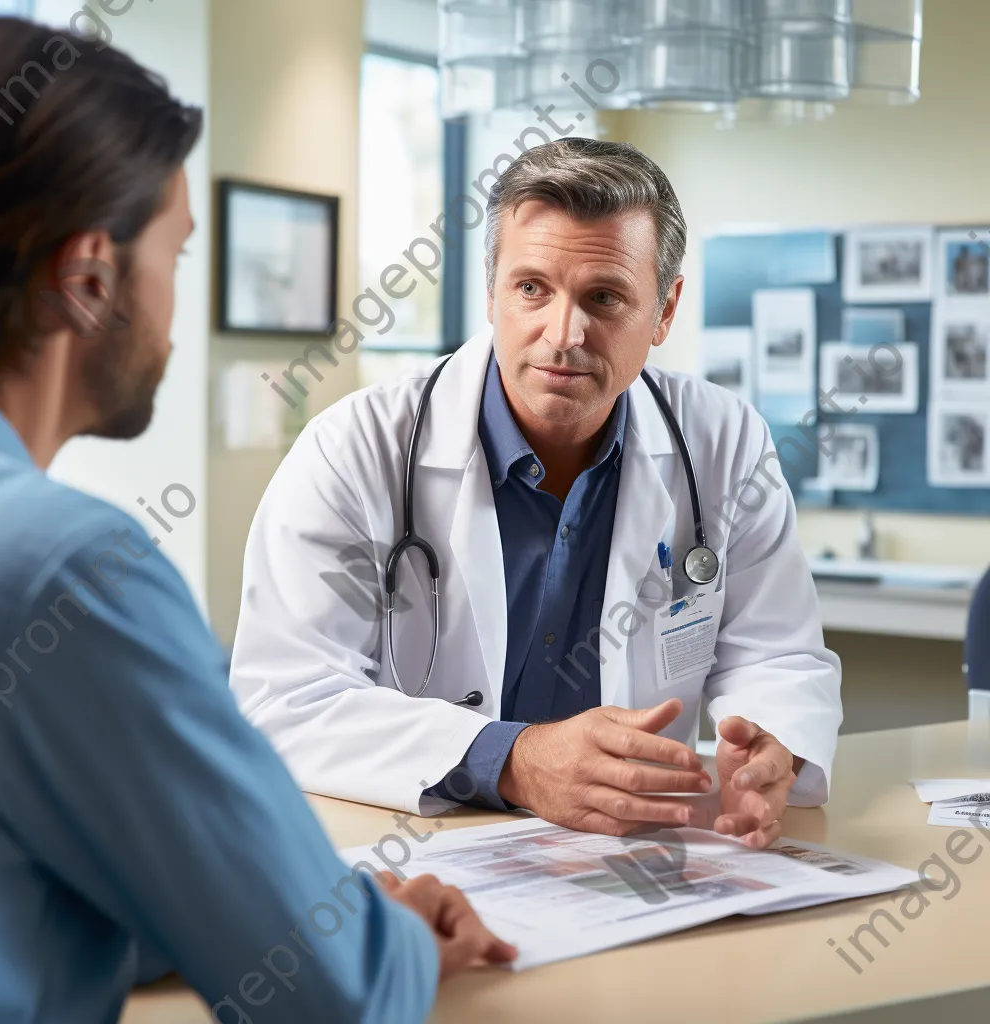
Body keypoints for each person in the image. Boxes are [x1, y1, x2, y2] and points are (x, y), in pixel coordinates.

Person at [0, 17, 513, 1024]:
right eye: (175, 252)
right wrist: (379, 931)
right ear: (90, 278)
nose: (177, 310)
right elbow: (327, 992)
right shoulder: (66, 572)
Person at [231, 137, 843, 847]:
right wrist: (512, 760)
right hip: (412, 858)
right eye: (532, 289)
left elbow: (777, 655)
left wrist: (770, 744)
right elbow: (285, 699)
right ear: (492, 288)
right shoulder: (355, 449)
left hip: (632, 858)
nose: (564, 333)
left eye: (604, 297)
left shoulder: (724, 441)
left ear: (665, 310)